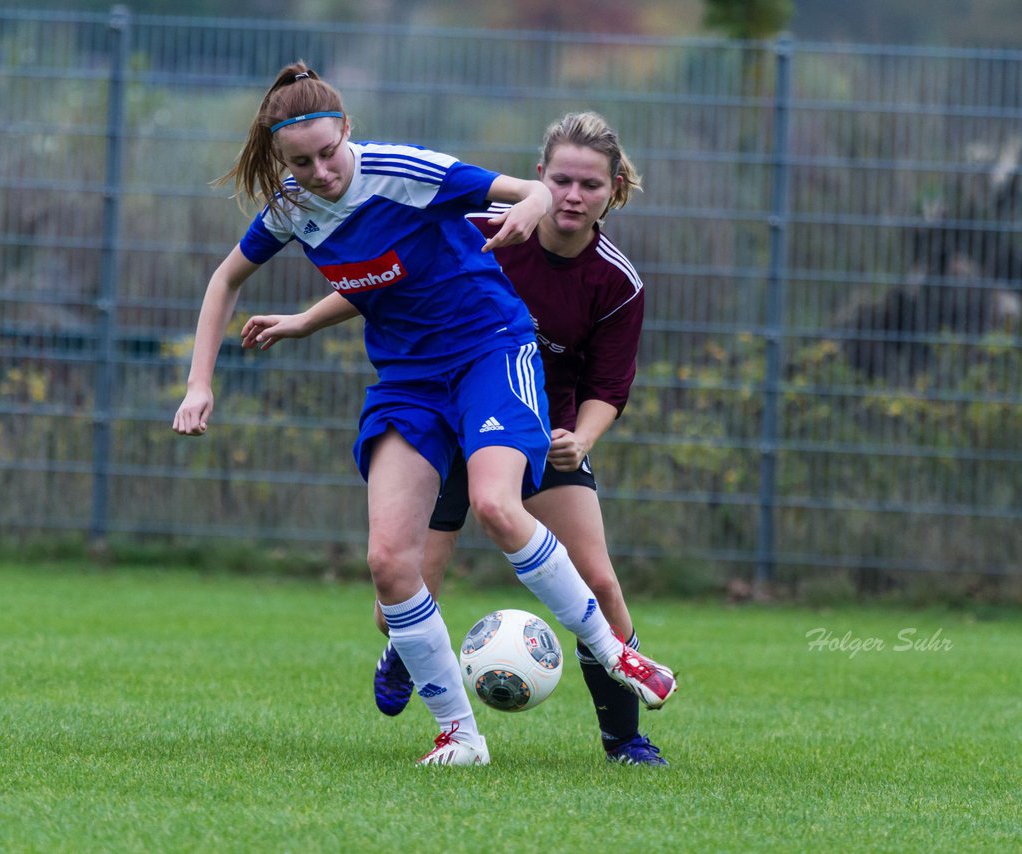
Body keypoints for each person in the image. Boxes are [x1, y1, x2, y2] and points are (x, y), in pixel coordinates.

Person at [172, 64, 676, 767]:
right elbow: (228, 279)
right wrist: (203, 382)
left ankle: (615, 655)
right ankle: (460, 736)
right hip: (409, 382)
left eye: (328, 152)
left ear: (348, 128)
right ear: (278, 156)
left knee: (497, 507)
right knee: (388, 567)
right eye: (300, 161)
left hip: (491, 356)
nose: (319, 172)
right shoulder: (291, 207)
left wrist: (531, 202)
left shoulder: (406, 171)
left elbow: (528, 191)